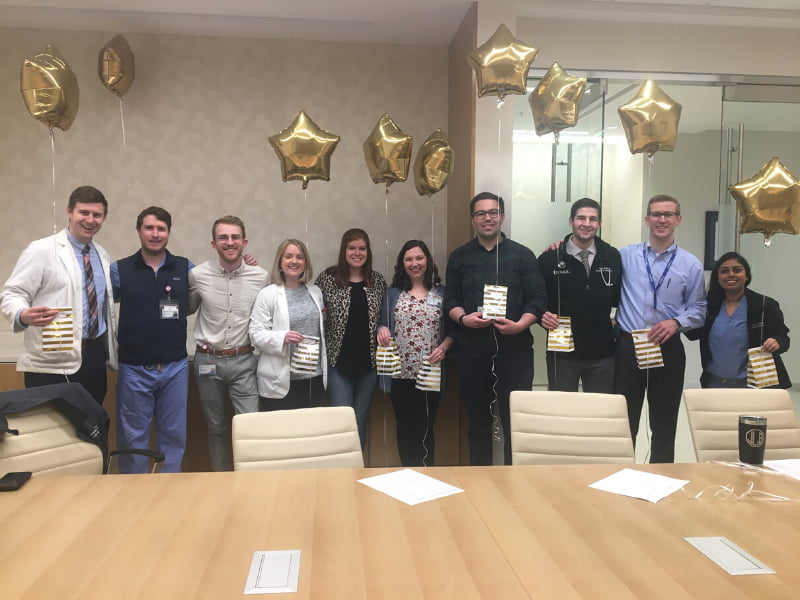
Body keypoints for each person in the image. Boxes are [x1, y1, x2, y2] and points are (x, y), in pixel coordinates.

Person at [444, 192, 547, 466]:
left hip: (516, 354)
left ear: (502, 216)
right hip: (473, 354)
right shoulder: (459, 257)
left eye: (492, 212)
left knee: (517, 423)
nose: (487, 218)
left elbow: (538, 298)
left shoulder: (523, 256)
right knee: (477, 424)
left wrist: (521, 325)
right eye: (480, 214)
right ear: (472, 220)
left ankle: (517, 483)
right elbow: (450, 300)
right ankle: (480, 484)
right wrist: (464, 319)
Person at [1, 186, 117, 405]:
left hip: (93, 356)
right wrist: (21, 313)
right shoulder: (41, 250)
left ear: (104, 218)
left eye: (97, 215)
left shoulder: (102, 255)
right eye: (84, 212)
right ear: (69, 212)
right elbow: (12, 292)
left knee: (91, 425)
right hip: (51, 359)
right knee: (52, 429)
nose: (90, 219)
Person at [614, 194, 706, 463]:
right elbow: (593, 256)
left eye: (668, 214)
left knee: (664, 422)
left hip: (667, 348)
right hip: (629, 348)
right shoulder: (625, 255)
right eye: (656, 214)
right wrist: (560, 246)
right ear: (647, 219)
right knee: (623, 420)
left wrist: (677, 322)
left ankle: (662, 477)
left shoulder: (690, 264)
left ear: (678, 219)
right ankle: (620, 476)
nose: (661, 220)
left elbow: (699, 308)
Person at [112, 207, 190, 473]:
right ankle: (133, 499)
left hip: (175, 368)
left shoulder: (184, 267)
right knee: (133, 440)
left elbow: (218, 277)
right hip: (134, 370)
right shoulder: (120, 269)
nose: (155, 234)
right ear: (138, 231)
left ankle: (169, 495)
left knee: (174, 438)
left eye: (161, 229)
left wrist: (245, 262)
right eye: (149, 228)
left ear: (169, 233)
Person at [189, 215, 268, 471]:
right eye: (223, 237)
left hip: (244, 361)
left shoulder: (260, 276)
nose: (229, 242)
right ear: (214, 244)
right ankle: (221, 482)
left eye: (235, 237)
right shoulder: (197, 275)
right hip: (207, 362)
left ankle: (252, 482)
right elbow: (186, 309)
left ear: (244, 242)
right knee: (216, 428)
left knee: (251, 426)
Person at [377, 240, 454, 467]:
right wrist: (381, 329)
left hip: (430, 371)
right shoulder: (392, 294)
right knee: (404, 425)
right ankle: (407, 472)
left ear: (427, 260)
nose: (414, 263)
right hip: (399, 373)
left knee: (427, 425)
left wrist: (445, 346)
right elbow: (382, 323)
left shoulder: (442, 292)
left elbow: (452, 331)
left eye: (419, 258)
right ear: (402, 263)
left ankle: (427, 473)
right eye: (409, 259)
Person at [538, 198, 621, 392]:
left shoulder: (612, 256)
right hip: (562, 350)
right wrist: (541, 315)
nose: (586, 223)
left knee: (598, 412)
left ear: (599, 224)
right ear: (571, 221)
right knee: (562, 412)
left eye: (593, 219)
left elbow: (619, 297)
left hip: (602, 353)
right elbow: (537, 299)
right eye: (581, 218)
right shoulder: (549, 259)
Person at [316, 228, 386, 447]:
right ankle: (341, 473)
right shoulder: (328, 278)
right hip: (338, 364)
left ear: (368, 251)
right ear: (344, 250)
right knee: (341, 422)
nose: (357, 253)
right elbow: (314, 312)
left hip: (369, 365)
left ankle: (358, 473)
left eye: (362, 248)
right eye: (352, 248)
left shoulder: (377, 281)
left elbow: (385, 317)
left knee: (360, 421)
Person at [690, 251, 790, 388]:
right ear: (718, 278)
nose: (731, 274)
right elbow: (692, 333)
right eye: (724, 271)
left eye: (737, 270)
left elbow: (784, 339)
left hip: (756, 383)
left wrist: (777, 342)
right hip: (715, 383)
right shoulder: (708, 308)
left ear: (747, 276)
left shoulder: (764, 305)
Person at [250, 239, 327, 410]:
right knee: (281, 434)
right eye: (288, 256)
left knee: (308, 433)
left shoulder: (315, 292)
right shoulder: (267, 294)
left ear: (305, 262)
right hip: (279, 380)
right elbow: (255, 334)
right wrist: (282, 337)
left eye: (300, 257)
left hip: (311, 378)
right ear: (280, 261)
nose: (294, 261)